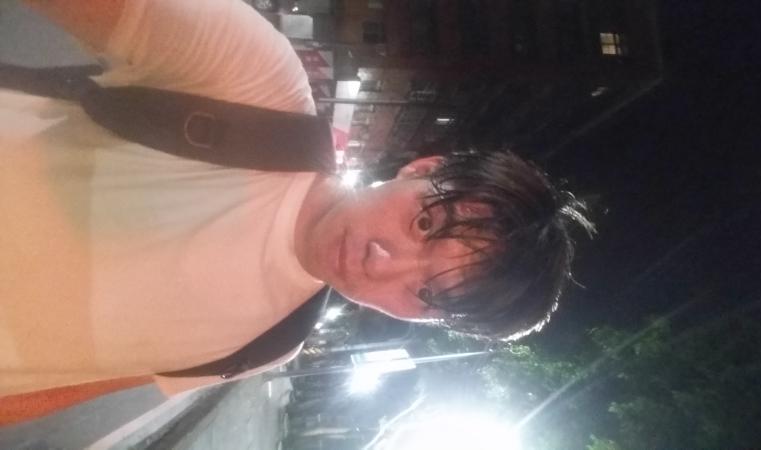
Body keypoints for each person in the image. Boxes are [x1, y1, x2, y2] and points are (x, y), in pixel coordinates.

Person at [0, 0, 591, 412]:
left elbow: (61, 384)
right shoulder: (252, 84)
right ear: (421, 169)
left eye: (425, 294)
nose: (381, 262)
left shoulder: (270, 344)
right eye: (425, 222)